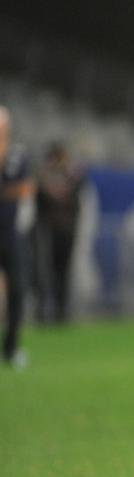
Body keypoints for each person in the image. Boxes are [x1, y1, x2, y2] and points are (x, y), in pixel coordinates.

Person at [34, 142, 86, 323]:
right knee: (45, 270)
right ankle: (42, 309)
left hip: (65, 230)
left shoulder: (70, 175)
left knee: (62, 271)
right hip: (48, 230)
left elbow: (78, 190)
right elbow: (40, 196)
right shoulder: (44, 176)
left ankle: (61, 311)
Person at [0, 107, 34, 366]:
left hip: (10, 234)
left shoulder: (17, 155)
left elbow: (24, 188)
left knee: (18, 290)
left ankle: (11, 348)